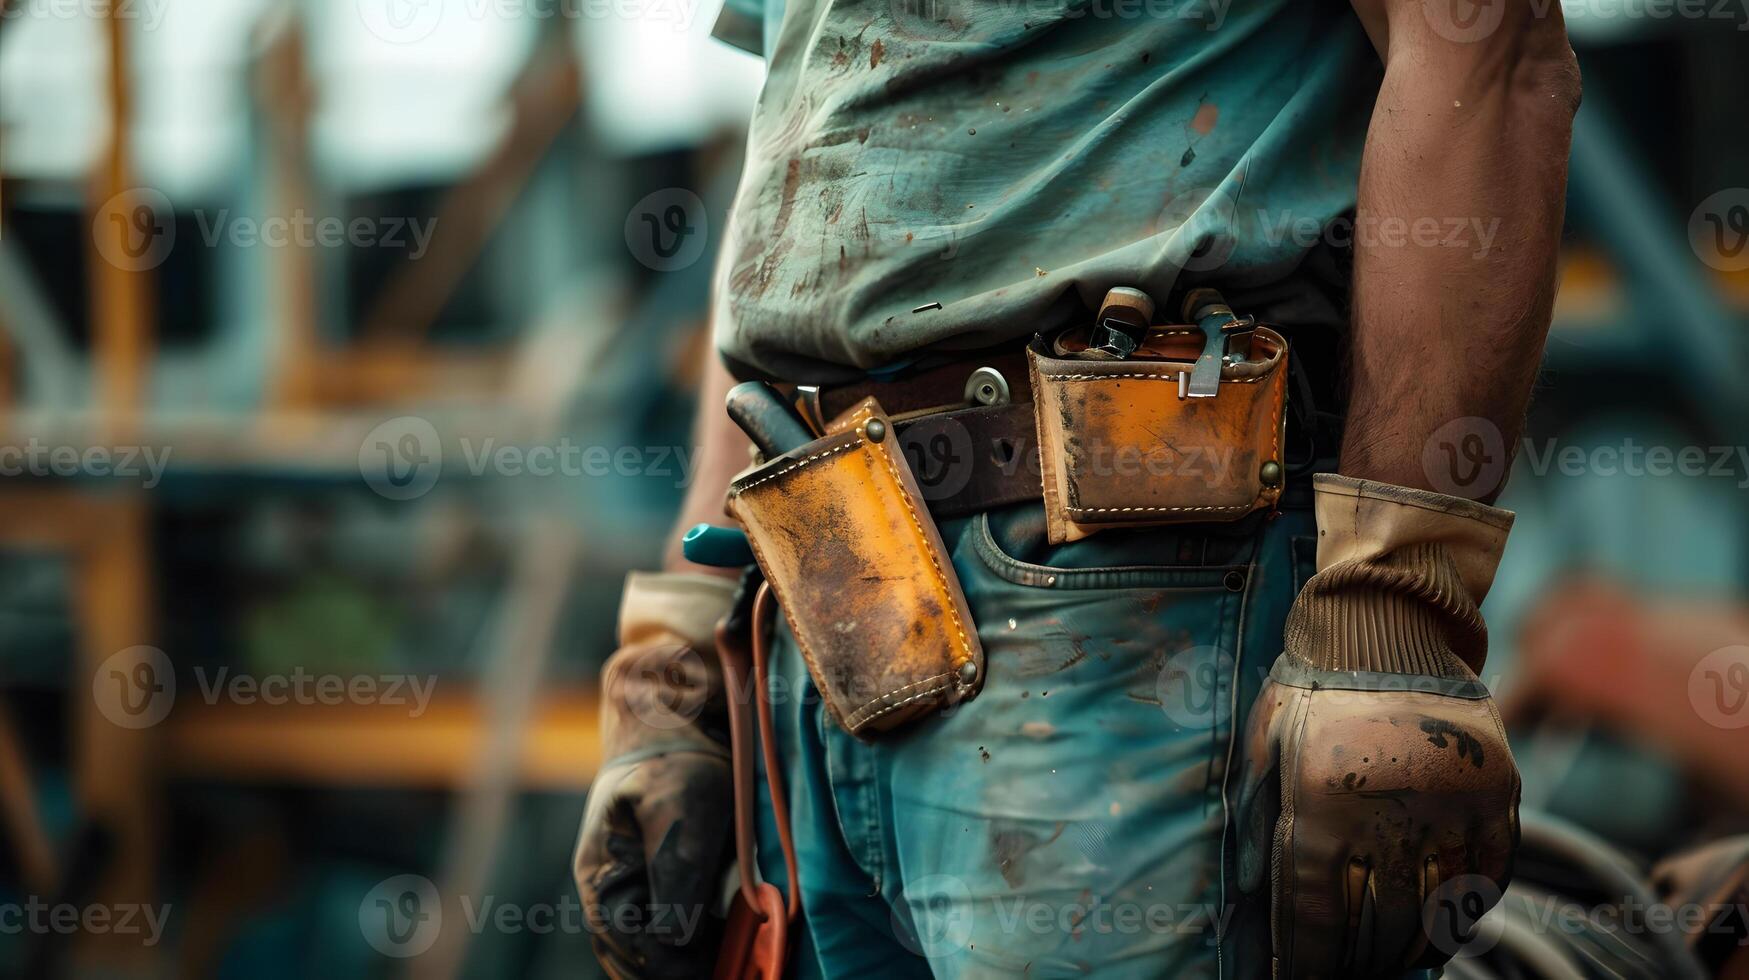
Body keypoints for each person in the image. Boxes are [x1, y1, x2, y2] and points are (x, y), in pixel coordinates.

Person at [574, 0, 1581, 975]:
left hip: (1129, 602)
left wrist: (1393, 604)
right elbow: (794, 157)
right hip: (821, 589)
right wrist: (679, 642)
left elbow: (1486, 46)